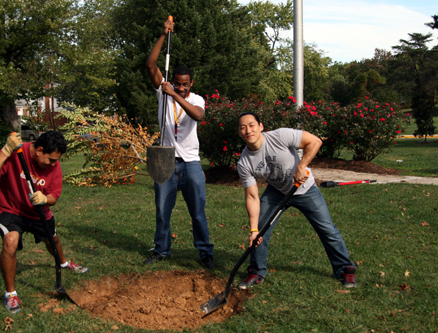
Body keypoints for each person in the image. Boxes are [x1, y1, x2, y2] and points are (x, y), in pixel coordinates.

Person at [236, 112, 357, 289]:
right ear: (240, 133)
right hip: (277, 193)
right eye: (243, 127)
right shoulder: (244, 162)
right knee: (260, 232)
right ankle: (256, 271)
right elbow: (252, 197)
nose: (248, 130)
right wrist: (254, 230)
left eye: (252, 125)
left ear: (261, 126)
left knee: (327, 229)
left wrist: (302, 166)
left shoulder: (280, 136)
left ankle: (345, 269)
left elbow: (315, 141)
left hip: (305, 189)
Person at [0, 131, 88, 314]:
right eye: (51, 159)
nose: (54, 163)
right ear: (39, 150)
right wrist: (6, 150)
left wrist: (45, 199)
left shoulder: (54, 166)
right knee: (10, 242)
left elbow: (54, 196)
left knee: (52, 240)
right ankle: (10, 294)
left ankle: (63, 263)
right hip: (10, 208)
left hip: (37, 211)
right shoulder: (16, 152)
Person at [144, 18, 214, 269]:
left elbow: (197, 115)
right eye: (177, 83)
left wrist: (174, 94)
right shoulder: (162, 91)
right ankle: (162, 250)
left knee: (198, 213)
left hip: (192, 164)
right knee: (163, 211)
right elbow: (150, 64)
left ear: (191, 83)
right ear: (171, 80)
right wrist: (163, 35)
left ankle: (205, 251)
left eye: (185, 84)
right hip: (166, 162)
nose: (181, 87)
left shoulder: (196, 99)